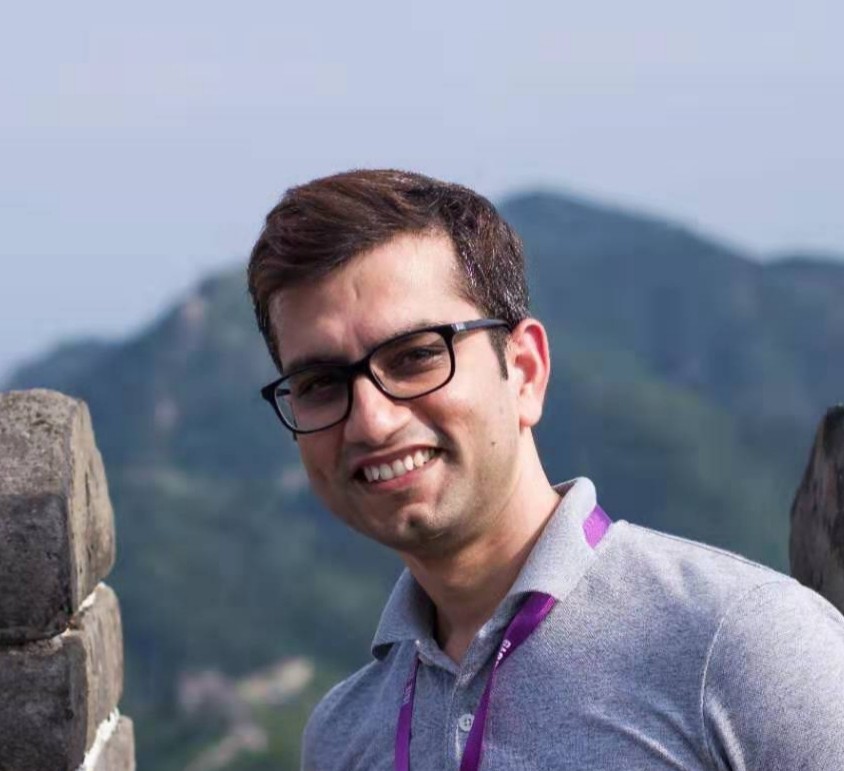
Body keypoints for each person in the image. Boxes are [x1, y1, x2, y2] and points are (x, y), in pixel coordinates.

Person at [247, 169, 844, 771]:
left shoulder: (742, 646)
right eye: (320, 384)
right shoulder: (343, 734)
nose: (372, 422)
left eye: (416, 356)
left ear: (525, 372)